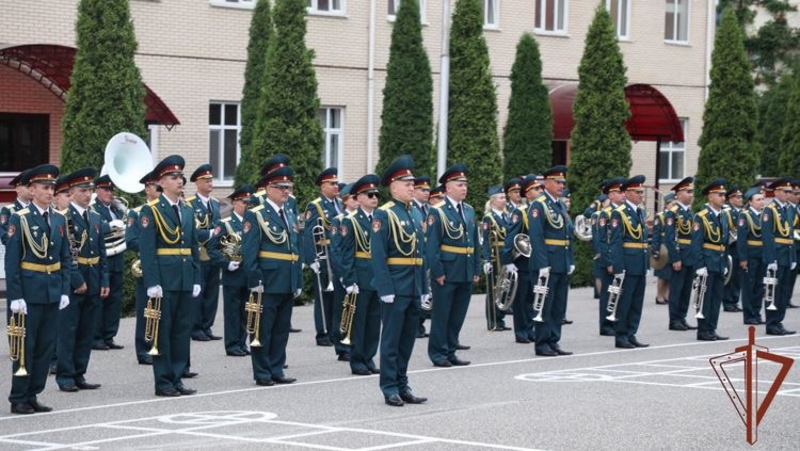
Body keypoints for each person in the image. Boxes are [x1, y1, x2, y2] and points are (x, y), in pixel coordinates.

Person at [5, 164, 70, 414]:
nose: (50, 191)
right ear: (32, 190)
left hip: (52, 291)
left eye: (52, 187)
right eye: (45, 187)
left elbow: (65, 258)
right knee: (25, 346)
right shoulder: (19, 218)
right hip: (29, 292)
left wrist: (64, 289)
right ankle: (18, 396)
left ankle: (33, 393)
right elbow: (12, 262)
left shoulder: (58, 218)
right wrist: (15, 296)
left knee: (45, 347)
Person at [138, 155, 202, 396]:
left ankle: (176, 378)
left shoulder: (186, 210)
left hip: (185, 278)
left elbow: (193, 246)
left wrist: (196, 279)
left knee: (181, 331)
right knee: (162, 332)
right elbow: (147, 250)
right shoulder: (151, 210)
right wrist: (152, 282)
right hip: (164, 279)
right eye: (173, 177)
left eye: (180, 177)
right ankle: (163, 381)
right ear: (161, 182)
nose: (179, 181)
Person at [371, 155, 428, 407]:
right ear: (393, 186)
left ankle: (403, 384)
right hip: (395, 286)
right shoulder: (384, 214)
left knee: (407, 340)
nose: (411, 187)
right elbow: (378, 253)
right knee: (392, 340)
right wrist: (384, 287)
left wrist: (424, 289)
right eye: (406, 183)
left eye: (412, 183)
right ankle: (389, 387)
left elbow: (420, 254)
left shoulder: (415, 213)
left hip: (414, 286)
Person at [242, 166, 302, 386]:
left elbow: (295, 249)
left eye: (288, 187)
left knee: (280, 329)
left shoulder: (288, 213)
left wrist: (298, 280)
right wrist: (255, 279)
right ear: (269, 189)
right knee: (262, 328)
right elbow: (249, 252)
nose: (286, 191)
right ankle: (262, 371)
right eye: (281, 187)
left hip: (286, 279)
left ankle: (277, 368)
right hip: (266, 280)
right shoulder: (256, 214)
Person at [57, 168, 109, 392]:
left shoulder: (95, 217)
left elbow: (102, 252)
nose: (88, 195)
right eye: (82, 190)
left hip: (94, 278)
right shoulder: (64, 218)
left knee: (87, 331)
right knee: (69, 331)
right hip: (74, 281)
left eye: (89, 190)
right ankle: (65, 376)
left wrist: (105, 280)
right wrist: (77, 280)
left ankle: (80, 373)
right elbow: (65, 253)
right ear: (71, 193)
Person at [426, 164, 480, 368]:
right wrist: (438, 271)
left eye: (465, 184)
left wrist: (476, 268)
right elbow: (432, 246)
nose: (464, 188)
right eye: (459, 185)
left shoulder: (469, 210)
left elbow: (474, 241)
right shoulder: (437, 211)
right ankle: (438, 353)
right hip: (447, 271)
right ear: (448, 188)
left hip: (465, 269)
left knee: (457, 314)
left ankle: (450, 350)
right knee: (442, 315)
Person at [528, 166, 574, 357]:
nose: (561, 185)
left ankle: (554, 340)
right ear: (546, 182)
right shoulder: (539, 205)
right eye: (557, 182)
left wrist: (570, 260)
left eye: (563, 182)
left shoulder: (560, 205)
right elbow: (536, 237)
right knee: (544, 304)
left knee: (558, 306)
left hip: (561, 261)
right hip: (546, 262)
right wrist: (542, 264)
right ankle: (542, 343)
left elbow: (567, 235)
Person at [339, 174, 382, 376]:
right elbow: (346, 254)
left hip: (377, 276)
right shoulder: (351, 222)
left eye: (376, 194)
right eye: (369, 194)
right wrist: (349, 280)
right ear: (358, 198)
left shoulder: (380, 219)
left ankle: (369, 357)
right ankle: (357, 361)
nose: (374, 197)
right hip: (361, 277)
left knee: (374, 322)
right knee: (359, 322)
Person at [208, 184, 255, 357]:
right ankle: (232, 344)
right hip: (233, 273)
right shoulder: (225, 223)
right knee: (232, 312)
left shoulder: (252, 222)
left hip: (248, 273)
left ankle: (242, 343)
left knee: (246, 310)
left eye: (249, 202)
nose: (247, 205)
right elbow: (212, 248)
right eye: (244, 202)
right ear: (235, 203)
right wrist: (226, 263)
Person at [607, 175, 650, 349]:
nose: (641, 195)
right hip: (627, 264)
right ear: (627, 193)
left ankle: (631, 333)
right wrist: (618, 267)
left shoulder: (639, 212)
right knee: (624, 302)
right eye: (637, 192)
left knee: (636, 302)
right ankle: (621, 335)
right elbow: (616, 242)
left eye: (642, 192)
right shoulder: (619, 212)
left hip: (639, 263)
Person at [125, 170, 162, 365]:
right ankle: (143, 348)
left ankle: (159, 345)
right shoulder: (137, 212)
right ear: (147, 188)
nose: (160, 189)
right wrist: (152, 248)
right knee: (145, 309)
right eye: (157, 186)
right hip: (147, 265)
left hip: (165, 265)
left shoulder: (165, 211)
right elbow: (130, 240)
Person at [303, 167, 342, 347]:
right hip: (323, 256)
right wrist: (312, 260)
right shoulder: (315, 205)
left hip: (337, 254)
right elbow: (309, 234)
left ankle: (335, 331)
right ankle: (322, 333)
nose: (336, 186)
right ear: (322, 186)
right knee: (323, 297)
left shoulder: (340, 204)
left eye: (336, 183)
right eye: (332, 184)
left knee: (336, 297)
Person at [501, 175, 542, 344]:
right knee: (521, 298)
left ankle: (530, 328)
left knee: (533, 297)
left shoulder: (541, 210)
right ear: (527, 193)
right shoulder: (521, 212)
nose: (539, 191)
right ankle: (521, 331)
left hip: (536, 260)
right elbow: (511, 237)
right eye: (535, 189)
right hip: (523, 261)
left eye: (540, 188)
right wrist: (507, 260)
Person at [692, 179, 731, 341]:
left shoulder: (723, 216)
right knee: (704, 298)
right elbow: (696, 243)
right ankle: (702, 331)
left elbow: (725, 240)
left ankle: (712, 328)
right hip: (707, 261)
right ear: (710, 196)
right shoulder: (701, 217)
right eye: (719, 195)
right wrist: (700, 265)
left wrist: (726, 263)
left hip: (719, 261)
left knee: (716, 298)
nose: (723, 198)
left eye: (724, 195)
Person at [187, 164, 222, 341]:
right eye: (206, 180)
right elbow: (191, 231)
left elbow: (218, 227)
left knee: (212, 293)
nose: (210, 183)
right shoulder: (190, 204)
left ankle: (207, 326)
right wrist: (209, 233)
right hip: (199, 254)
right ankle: (196, 327)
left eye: (211, 180)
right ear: (197, 183)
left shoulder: (215, 204)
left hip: (213, 254)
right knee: (198, 292)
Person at [91, 175, 126, 350]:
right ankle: (96, 337)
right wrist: (111, 226)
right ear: (97, 190)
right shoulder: (93, 209)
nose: (109, 193)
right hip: (102, 260)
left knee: (115, 300)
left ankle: (109, 335)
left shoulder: (117, 209)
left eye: (111, 190)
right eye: (105, 189)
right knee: (100, 299)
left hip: (117, 259)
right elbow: (94, 229)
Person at [762, 177, 797, 336]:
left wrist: (793, 258)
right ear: (776, 192)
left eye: (790, 192)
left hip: (787, 255)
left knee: (783, 291)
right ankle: (771, 323)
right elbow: (768, 236)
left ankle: (779, 321)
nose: (788, 194)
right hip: (775, 256)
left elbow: (791, 235)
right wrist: (771, 259)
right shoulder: (770, 210)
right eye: (785, 191)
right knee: (772, 291)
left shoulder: (789, 209)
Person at [665, 177, 698, 332]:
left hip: (690, 255)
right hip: (680, 255)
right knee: (677, 289)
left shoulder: (690, 212)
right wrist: (675, 258)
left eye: (692, 191)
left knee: (686, 289)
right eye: (688, 191)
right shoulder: (673, 212)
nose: (691, 195)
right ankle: (674, 320)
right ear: (678, 194)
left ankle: (682, 317)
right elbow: (671, 238)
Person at [329, 183, 356, 361]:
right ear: (346, 201)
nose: (358, 201)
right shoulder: (338, 220)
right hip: (344, 273)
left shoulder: (364, 219)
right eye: (354, 198)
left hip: (360, 271)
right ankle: (341, 345)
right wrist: (342, 274)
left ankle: (355, 343)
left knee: (358, 310)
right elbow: (336, 250)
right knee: (343, 309)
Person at [597, 178, 626, 336]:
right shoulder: (606, 213)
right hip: (610, 260)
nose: (623, 195)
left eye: (623, 192)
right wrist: (609, 261)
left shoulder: (624, 212)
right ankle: (606, 324)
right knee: (609, 292)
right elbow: (603, 240)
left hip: (622, 258)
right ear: (611, 195)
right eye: (619, 192)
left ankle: (617, 321)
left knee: (620, 293)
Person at [481, 185, 510, 331]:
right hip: (495, 256)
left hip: (505, 255)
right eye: (501, 197)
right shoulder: (489, 217)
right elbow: (486, 240)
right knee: (494, 290)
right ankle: (492, 321)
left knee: (504, 288)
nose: (504, 200)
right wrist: (486, 259)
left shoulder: (506, 215)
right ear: (493, 201)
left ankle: (501, 319)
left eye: (504, 197)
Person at [737, 187, 767, 326]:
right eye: (758, 200)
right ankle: (749, 315)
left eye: (762, 199)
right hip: (750, 255)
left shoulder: (764, 215)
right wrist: (743, 258)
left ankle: (756, 313)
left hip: (762, 254)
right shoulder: (745, 216)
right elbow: (741, 239)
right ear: (750, 202)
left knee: (760, 286)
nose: (762, 202)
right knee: (749, 285)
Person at [411, 176, 432, 338]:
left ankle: (421, 324)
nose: (427, 193)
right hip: (416, 256)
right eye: (422, 190)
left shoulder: (429, 209)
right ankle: (415, 326)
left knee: (426, 292)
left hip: (428, 255)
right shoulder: (411, 209)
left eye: (428, 190)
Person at [651, 192, 676, 305]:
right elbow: (656, 234)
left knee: (670, 274)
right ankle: (659, 296)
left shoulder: (676, 215)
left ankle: (666, 295)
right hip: (663, 247)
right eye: (672, 204)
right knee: (662, 274)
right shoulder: (660, 216)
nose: (674, 206)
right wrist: (655, 250)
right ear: (667, 205)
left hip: (672, 247)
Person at [721, 185, 744, 312]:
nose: (741, 199)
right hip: (731, 246)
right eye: (738, 197)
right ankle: (727, 301)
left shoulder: (742, 212)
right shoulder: (727, 212)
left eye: (741, 197)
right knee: (730, 274)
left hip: (740, 247)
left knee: (738, 276)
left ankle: (734, 300)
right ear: (731, 199)